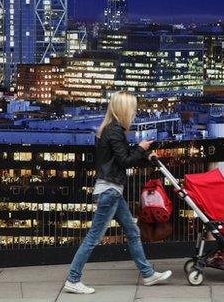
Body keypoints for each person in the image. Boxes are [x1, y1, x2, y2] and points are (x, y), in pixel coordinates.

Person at [64, 91, 172, 294]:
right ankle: (72, 279)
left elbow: (123, 157)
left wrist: (146, 156)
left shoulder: (112, 130)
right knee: (93, 237)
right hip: (110, 191)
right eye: (132, 108)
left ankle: (147, 274)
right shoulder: (114, 131)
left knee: (132, 231)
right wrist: (140, 148)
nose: (134, 112)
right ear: (124, 109)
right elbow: (125, 161)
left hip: (113, 190)